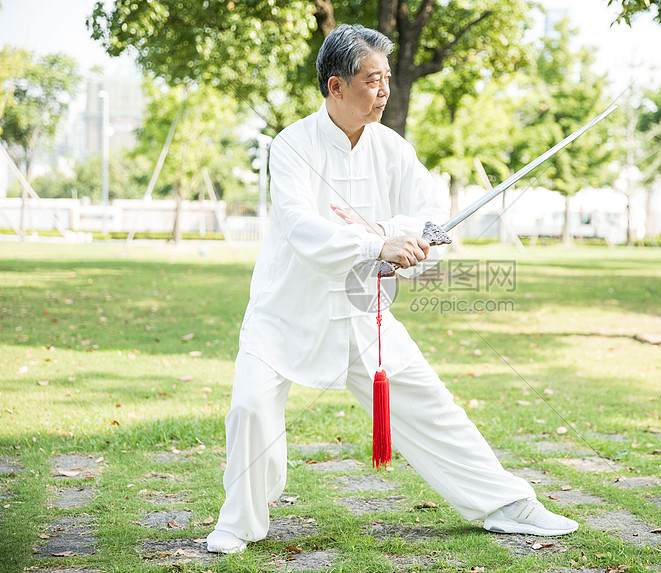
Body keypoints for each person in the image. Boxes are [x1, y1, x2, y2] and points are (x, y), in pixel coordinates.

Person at [206, 23, 579, 555]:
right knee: (250, 409)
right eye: (372, 79)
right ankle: (238, 522)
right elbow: (300, 226)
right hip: (285, 311)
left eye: (387, 79)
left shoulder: (393, 149)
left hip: (363, 312)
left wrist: (416, 241)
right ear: (335, 86)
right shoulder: (291, 146)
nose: (384, 91)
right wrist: (377, 241)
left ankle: (507, 504)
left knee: (432, 406)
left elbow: (431, 219)